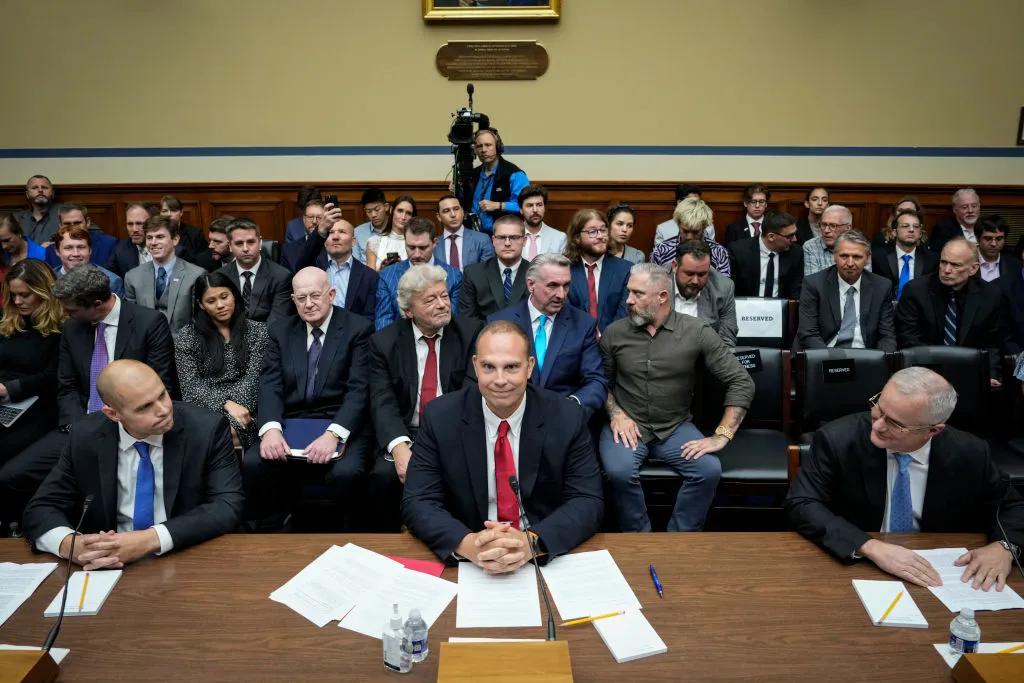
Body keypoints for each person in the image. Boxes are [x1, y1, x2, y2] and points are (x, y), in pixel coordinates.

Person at [785, 367, 1023, 590]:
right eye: (878, 408)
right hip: (860, 567)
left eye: (895, 423)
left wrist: (1005, 547)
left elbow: (1013, 506)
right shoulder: (838, 440)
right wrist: (869, 546)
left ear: (933, 430)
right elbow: (803, 504)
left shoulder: (970, 453)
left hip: (941, 573)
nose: (877, 425)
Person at [402, 320, 604, 568]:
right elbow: (417, 501)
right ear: (475, 366)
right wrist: (468, 545)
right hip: (469, 556)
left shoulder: (567, 417)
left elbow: (587, 500)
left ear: (529, 367)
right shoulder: (440, 416)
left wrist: (530, 544)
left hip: (540, 555)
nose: (499, 380)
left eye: (511, 367)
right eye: (489, 367)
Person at [0, 265, 176, 530]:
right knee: (10, 476)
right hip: (80, 425)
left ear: (96, 304)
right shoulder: (73, 328)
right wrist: (77, 426)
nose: (64, 315)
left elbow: (161, 382)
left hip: (130, 425)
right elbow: (67, 385)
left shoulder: (147, 322)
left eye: (70, 310)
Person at [23, 360, 244, 567]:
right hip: (106, 565)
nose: (164, 409)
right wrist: (73, 546)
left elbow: (226, 505)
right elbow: (41, 508)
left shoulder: (206, 429)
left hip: (183, 557)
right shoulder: (85, 436)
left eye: (162, 395)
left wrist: (149, 539)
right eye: (145, 407)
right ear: (113, 413)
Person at [599, 263, 754, 532]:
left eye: (637, 293)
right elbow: (599, 383)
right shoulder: (615, 333)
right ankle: (639, 540)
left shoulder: (696, 331)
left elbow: (740, 380)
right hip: (628, 426)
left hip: (674, 427)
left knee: (708, 470)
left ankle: (680, 540)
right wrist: (615, 413)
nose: (629, 300)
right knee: (619, 472)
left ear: (662, 296)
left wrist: (722, 435)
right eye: (629, 292)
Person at [243, 267, 373, 530]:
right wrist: (270, 429)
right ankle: (275, 535)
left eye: (315, 295)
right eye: (301, 298)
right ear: (293, 300)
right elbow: (270, 384)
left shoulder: (358, 329)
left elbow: (360, 389)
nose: (309, 304)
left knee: (345, 473)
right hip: (293, 421)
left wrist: (333, 435)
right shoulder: (281, 330)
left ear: (331, 294)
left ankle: (347, 536)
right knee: (257, 462)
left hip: (339, 420)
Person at [368, 265, 481, 531]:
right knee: (384, 475)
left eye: (444, 295)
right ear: (409, 311)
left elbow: (472, 390)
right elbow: (382, 401)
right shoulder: (384, 342)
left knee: (462, 471)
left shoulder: (471, 331)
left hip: (457, 427)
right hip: (408, 430)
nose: (442, 305)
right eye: (430, 300)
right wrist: (399, 447)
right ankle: (391, 545)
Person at [488, 252, 607, 417]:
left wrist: (572, 405)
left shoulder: (583, 324)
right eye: (553, 285)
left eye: (566, 285)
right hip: (512, 416)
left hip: (563, 418)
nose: (561, 294)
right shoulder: (500, 323)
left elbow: (596, 381)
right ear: (531, 285)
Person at [174, 272, 269, 449]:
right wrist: (226, 404)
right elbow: (190, 387)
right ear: (201, 305)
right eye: (211, 301)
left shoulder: (258, 332)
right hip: (203, 407)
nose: (220, 305)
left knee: (222, 433)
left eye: (224, 297)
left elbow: (254, 381)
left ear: (234, 295)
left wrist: (235, 407)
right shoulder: (187, 336)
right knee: (212, 432)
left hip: (247, 407)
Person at [896, 238, 1006, 386]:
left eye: (955, 265)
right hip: (925, 373)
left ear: (973, 269)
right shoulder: (916, 291)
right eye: (943, 262)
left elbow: (991, 344)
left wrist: (991, 374)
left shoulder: (990, 295)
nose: (947, 270)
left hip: (969, 374)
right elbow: (909, 340)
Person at [0, 261, 62, 498]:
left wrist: (9, 388)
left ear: (43, 292)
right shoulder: (9, 320)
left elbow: (53, 377)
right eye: (13, 295)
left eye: (24, 295)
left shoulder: (61, 329)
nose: (17, 302)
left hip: (37, 405)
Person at [797, 230, 897, 352]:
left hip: (866, 356)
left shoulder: (881, 286)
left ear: (868, 258)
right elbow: (809, 334)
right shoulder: (814, 284)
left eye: (857, 257)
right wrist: (829, 361)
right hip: (826, 354)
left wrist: (879, 361)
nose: (850, 263)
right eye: (844, 256)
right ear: (834, 256)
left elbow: (887, 336)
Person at [288, 207, 379, 323]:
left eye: (342, 232)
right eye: (330, 233)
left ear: (353, 241)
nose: (335, 237)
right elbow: (302, 264)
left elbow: (370, 317)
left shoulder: (369, 276)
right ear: (325, 241)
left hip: (353, 335)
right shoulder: (313, 268)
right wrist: (321, 231)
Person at [375, 217, 462, 330]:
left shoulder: (454, 276)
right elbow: (383, 320)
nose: (416, 254)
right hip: (399, 343)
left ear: (435, 242)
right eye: (411, 247)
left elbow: (452, 320)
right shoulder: (387, 276)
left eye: (422, 248)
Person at [124, 215, 206, 333]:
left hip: (185, 347)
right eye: (149, 237)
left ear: (175, 240)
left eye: (160, 237)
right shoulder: (132, 277)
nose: (153, 242)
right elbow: (131, 321)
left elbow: (200, 322)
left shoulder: (196, 275)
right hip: (147, 347)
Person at [565, 209, 630, 332]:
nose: (600, 236)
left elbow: (624, 316)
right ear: (577, 238)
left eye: (603, 230)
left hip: (613, 343)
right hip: (575, 343)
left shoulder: (626, 270)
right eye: (593, 232)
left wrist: (607, 341)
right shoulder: (565, 270)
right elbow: (566, 315)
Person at [218, 218, 293, 325]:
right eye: (239, 243)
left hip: (268, 338)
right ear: (230, 246)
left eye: (251, 242)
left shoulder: (281, 276)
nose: (245, 248)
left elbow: (277, 322)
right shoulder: (220, 276)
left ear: (260, 242)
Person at [458, 214, 530, 324]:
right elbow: (467, 322)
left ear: (524, 240)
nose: (507, 243)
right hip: (484, 337)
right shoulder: (473, 274)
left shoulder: (536, 273)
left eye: (514, 237)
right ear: (493, 240)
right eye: (501, 237)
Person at [671, 239, 738, 348]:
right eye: (689, 273)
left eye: (702, 274)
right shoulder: (655, 283)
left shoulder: (723, 288)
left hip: (704, 359)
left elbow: (727, 341)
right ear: (675, 266)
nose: (695, 281)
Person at [728, 211, 803, 299]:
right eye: (790, 236)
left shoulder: (795, 253)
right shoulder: (738, 251)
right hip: (747, 308)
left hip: (781, 308)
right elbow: (731, 289)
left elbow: (795, 290)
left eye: (795, 233)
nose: (795, 239)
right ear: (771, 237)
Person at [468, 128, 530, 234]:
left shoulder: (514, 174)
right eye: (479, 146)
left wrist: (498, 205)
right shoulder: (473, 174)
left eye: (488, 145)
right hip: (474, 236)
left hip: (503, 236)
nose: (483, 150)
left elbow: (526, 206)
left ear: (498, 147)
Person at [649, 197, 731, 276]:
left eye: (695, 232)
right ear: (678, 225)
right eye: (685, 231)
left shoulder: (719, 252)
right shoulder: (661, 251)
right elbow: (653, 284)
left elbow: (724, 287)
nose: (689, 237)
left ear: (704, 227)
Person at [871, 208, 938, 300]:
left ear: (920, 233)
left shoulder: (931, 259)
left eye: (916, 226)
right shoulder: (879, 257)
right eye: (905, 226)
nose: (911, 230)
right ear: (894, 232)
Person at [52, 224, 124, 297]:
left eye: (81, 247)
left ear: (90, 250)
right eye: (68, 248)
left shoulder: (111, 282)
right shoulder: (47, 280)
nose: (76, 253)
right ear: (57, 252)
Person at [803, 205, 872, 277]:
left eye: (833, 225)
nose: (826, 230)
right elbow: (813, 283)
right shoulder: (811, 246)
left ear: (848, 227)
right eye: (823, 224)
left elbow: (865, 279)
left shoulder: (861, 245)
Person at [433, 194, 495, 271]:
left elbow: (488, 273)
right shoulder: (434, 245)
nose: (453, 215)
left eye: (456, 209)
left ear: (462, 211)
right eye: (446, 211)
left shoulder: (482, 240)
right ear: (439, 217)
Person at [46, 203, 117, 268]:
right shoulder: (51, 250)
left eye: (77, 223)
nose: (73, 227)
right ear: (60, 225)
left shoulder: (110, 244)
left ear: (88, 222)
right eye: (67, 224)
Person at [104, 202, 160, 276]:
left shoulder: (170, 248)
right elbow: (106, 275)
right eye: (130, 224)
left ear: (153, 223)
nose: (134, 229)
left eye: (139, 224)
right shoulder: (121, 248)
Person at [367, 195, 416, 272]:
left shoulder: (418, 243)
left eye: (408, 213)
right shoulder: (374, 242)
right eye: (400, 211)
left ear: (412, 217)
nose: (403, 217)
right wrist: (382, 270)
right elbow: (369, 278)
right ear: (391, 210)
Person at [518, 184, 567, 258]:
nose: (535, 210)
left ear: (544, 208)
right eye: (530, 205)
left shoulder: (559, 238)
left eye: (539, 205)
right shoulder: (510, 237)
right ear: (521, 210)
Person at [929, 188, 981, 253]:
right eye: (964, 207)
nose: (970, 210)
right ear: (954, 209)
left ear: (979, 206)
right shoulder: (943, 230)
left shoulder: (987, 226)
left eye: (974, 206)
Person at [280, 200, 326, 272]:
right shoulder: (288, 249)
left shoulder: (334, 246)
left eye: (319, 217)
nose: (314, 221)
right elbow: (285, 280)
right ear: (304, 219)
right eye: (310, 217)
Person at [159, 195, 209, 262]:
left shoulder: (195, 234)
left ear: (181, 212)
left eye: (173, 210)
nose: (169, 214)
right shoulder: (154, 234)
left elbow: (202, 261)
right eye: (164, 211)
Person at [15, 175, 62, 245]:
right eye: (34, 187)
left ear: (52, 193)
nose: (40, 190)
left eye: (45, 187)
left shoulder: (64, 213)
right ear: (27, 194)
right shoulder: (16, 219)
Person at [977, 215, 1021, 283]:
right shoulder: (966, 263)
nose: (993, 244)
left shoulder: (1015, 264)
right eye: (988, 238)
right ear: (978, 239)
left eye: (999, 239)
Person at [353, 188, 390, 265]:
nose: (373, 215)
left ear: (386, 207)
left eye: (377, 209)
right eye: (369, 211)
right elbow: (355, 264)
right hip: (366, 275)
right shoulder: (357, 232)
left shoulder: (397, 230)